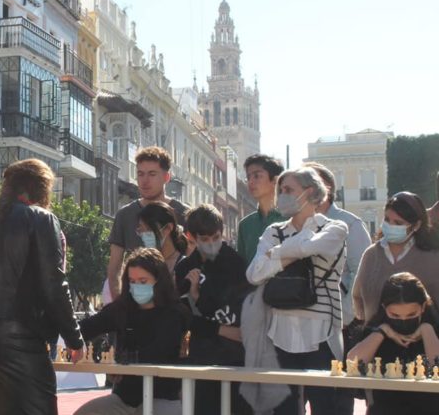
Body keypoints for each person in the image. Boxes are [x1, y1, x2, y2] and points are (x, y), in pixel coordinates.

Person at [0, 159, 84, 415]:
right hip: (22, 334)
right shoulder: (40, 218)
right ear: (41, 187)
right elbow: (54, 283)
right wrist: (74, 338)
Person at [246, 167, 348, 415]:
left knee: (326, 408)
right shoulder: (273, 231)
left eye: (289, 190)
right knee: (284, 411)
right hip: (279, 333)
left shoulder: (335, 227)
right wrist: (291, 253)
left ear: (310, 192)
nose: (282, 195)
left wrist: (278, 253)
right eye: (281, 190)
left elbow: (310, 247)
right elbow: (254, 273)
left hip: (322, 335)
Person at [74, 248, 190, 415]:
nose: (137, 286)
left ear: (159, 280)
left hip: (163, 397)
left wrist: (121, 363)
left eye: (143, 281)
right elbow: (85, 328)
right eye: (132, 281)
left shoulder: (174, 313)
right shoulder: (122, 309)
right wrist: (69, 334)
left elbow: (157, 352)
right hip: (125, 399)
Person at [303, 162, 372, 415]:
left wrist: (341, 317)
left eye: (307, 184)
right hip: (300, 328)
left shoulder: (350, 224)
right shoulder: (295, 224)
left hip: (336, 330)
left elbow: (361, 274)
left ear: (326, 188)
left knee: (333, 403)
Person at [175, 204, 252, 415]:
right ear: (191, 236)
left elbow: (242, 317)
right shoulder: (184, 269)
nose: (211, 244)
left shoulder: (237, 264)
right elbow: (185, 318)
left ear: (223, 232)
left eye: (216, 237)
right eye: (204, 239)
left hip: (238, 359)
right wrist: (195, 298)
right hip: (203, 358)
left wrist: (201, 301)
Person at [348, 272, 439, 414]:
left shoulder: (434, 331)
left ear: (423, 308)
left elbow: (437, 366)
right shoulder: (375, 332)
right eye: (395, 315)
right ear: (385, 309)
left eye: (411, 315)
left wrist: (427, 330)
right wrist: (383, 331)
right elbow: (351, 364)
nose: (403, 320)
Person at [107, 146, 190, 298]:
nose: (145, 181)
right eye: (140, 174)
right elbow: (114, 268)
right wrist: (121, 306)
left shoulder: (184, 214)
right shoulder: (125, 215)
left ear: (166, 177)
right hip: (136, 304)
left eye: (152, 174)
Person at [353, 191, 439, 324]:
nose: (391, 226)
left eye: (398, 223)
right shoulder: (371, 254)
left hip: (419, 341)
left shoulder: (431, 259)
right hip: (375, 340)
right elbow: (357, 296)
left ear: (416, 226)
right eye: (387, 220)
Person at [237, 154, 286, 265]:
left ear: (275, 180)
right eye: (248, 177)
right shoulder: (245, 225)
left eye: (257, 176)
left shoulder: (291, 218)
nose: (250, 182)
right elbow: (242, 268)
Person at [137, 201, 187, 275]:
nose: (144, 235)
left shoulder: (184, 265)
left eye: (149, 229)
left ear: (168, 228)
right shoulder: (141, 263)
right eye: (141, 230)